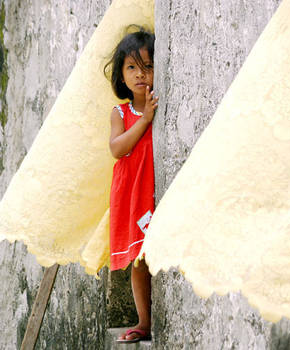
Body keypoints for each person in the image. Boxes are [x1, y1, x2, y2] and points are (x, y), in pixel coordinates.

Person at [104, 28, 158, 343]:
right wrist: (144, 120)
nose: (140, 74)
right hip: (132, 194)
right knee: (139, 258)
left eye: (148, 66)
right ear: (122, 75)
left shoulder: (159, 103)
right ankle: (144, 321)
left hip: (153, 188)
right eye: (132, 68)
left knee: (154, 250)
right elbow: (117, 149)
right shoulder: (121, 113)